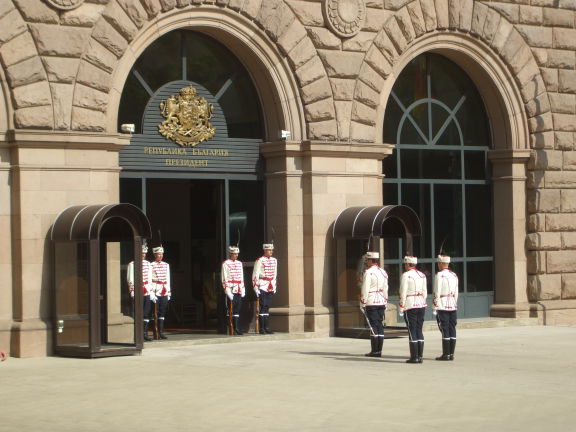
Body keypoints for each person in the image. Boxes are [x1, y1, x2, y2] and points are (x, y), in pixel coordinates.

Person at [399, 256, 427, 364]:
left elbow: (403, 292)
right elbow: (424, 292)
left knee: (412, 330)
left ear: (407, 264)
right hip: (421, 304)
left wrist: (401, 307)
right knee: (419, 330)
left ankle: (414, 357)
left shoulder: (406, 275)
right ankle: (420, 356)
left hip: (410, 304)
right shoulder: (422, 275)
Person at [359, 251, 388, 357]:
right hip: (381, 300)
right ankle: (379, 350)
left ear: (371, 260)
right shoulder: (383, 272)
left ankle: (375, 351)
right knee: (379, 325)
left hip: (371, 301)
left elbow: (365, 289)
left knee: (373, 326)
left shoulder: (368, 272)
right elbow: (386, 288)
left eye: (367, 260)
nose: (366, 262)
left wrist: (363, 302)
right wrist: (385, 300)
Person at [433, 254, 458, 361]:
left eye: (439, 263)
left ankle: (446, 354)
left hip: (442, 304)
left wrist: (435, 306)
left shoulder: (439, 275)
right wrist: (454, 303)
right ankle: (451, 354)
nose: (438, 265)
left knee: (445, 328)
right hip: (452, 303)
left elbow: (436, 292)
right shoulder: (454, 275)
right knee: (452, 328)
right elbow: (456, 292)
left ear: (442, 263)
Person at [127, 245, 155, 341]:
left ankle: (144, 333)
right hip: (137, 291)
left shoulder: (148, 264)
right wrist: (132, 292)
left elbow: (150, 279)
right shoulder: (132, 264)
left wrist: (151, 292)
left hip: (147, 291)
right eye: (141, 253)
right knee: (138, 313)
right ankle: (137, 334)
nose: (143, 255)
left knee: (146, 313)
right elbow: (130, 279)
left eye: (144, 253)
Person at [252, 243, 277, 334]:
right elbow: (255, 274)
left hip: (270, 286)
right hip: (262, 285)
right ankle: (262, 328)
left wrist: (274, 285)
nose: (271, 251)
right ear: (265, 250)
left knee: (267, 307)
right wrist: (255, 287)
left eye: (272, 250)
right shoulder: (260, 260)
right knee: (263, 306)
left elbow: (274, 274)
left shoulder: (274, 260)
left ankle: (266, 327)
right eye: (269, 250)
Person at [222, 245, 245, 335]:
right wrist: (227, 291)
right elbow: (224, 278)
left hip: (238, 288)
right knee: (230, 310)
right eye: (235, 254)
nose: (236, 255)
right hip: (231, 289)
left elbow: (241, 277)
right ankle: (230, 328)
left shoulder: (239, 263)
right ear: (231, 254)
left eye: (237, 254)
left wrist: (243, 289)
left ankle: (236, 328)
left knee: (237, 309)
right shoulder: (225, 263)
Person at [151, 246, 171, 340]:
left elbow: (168, 279)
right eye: (159, 254)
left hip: (164, 290)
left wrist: (169, 292)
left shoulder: (166, 265)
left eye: (162, 254)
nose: (160, 256)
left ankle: (161, 332)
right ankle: (155, 332)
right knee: (155, 312)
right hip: (156, 290)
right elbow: (150, 279)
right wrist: (151, 292)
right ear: (155, 255)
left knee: (162, 312)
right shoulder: (151, 265)